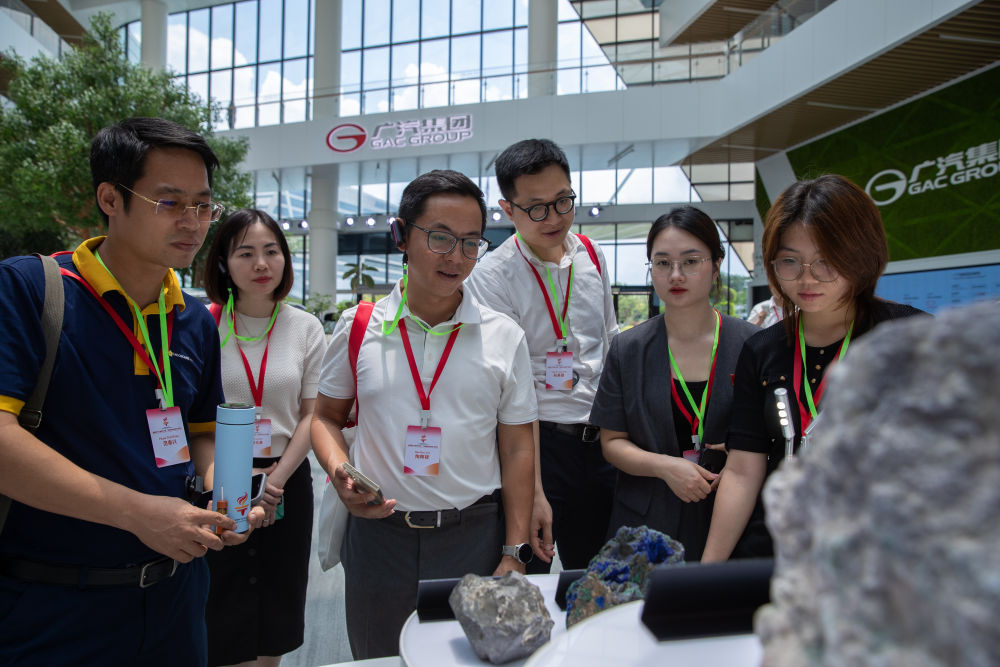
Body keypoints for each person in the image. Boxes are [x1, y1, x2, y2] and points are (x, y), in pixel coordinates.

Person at [0, 117, 261, 666]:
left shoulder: (192, 320)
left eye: (203, 205)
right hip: (55, 602)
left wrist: (224, 492)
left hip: (175, 598)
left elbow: (199, 432)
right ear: (110, 199)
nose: (192, 222)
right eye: (169, 202)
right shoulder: (32, 290)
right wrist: (139, 514)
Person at [311, 169, 536, 660]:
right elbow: (325, 418)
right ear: (402, 236)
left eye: (471, 243)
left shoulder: (503, 336)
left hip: (473, 537)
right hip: (379, 538)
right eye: (440, 237)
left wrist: (514, 551)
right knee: (378, 656)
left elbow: (519, 446)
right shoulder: (359, 327)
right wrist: (339, 470)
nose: (456, 256)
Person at [701, 174, 927, 562]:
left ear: (862, 254)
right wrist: (708, 571)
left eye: (826, 260)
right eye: (790, 261)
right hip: (778, 548)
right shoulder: (762, 350)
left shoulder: (912, 338)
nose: (807, 277)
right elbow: (743, 470)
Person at [465, 138, 618, 573]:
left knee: (600, 579)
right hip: (538, 446)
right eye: (536, 208)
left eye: (563, 201)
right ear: (507, 209)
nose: (554, 218)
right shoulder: (493, 276)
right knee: (529, 578)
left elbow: (609, 340)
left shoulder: (591, 254)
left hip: (600, 441)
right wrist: (532, 489)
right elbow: (511, 388)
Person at [590, 207, 758, 561]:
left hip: (728, 519)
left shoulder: (751, 345)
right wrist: (666, 467)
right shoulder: (628, 348)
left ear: (716, 265)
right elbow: (612, 442)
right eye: (663, 263)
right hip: (646, 522)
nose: (676, 275)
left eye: (691, 261)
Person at [202, 210, 326, 667]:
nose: (261, 264)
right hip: (218, 480)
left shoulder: (305, 327)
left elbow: (312, 414)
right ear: (223, 263)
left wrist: (275, 481)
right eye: (245, 253)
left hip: (286, 478)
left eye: (271, 251)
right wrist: (232, 482)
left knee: (277, 603)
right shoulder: (204, 325)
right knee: (221, 604)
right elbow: (196, 415)